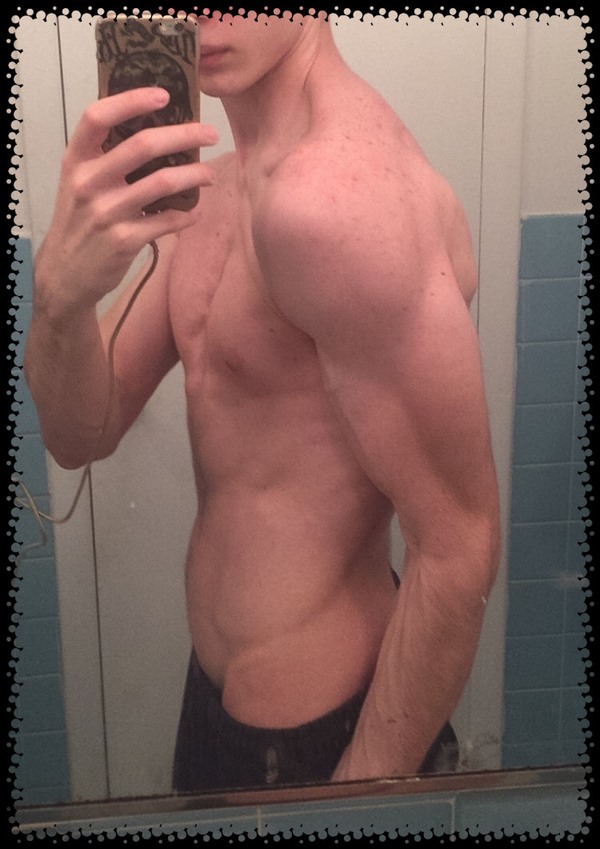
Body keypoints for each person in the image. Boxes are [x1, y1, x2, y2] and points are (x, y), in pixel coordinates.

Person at [24, 12, 500, 793]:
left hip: (325, 738)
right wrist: (59, 300)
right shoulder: (210, 187)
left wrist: (359, 800)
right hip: (214, 698)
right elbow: (82, 432)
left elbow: (459, 543)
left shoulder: (335, 204)